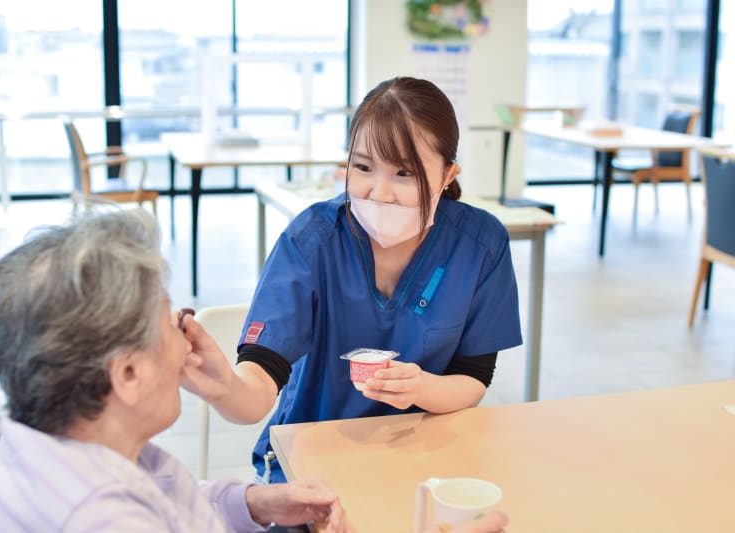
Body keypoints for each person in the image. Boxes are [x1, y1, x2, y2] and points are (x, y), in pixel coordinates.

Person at [183, 76, 522, 484]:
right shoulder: (311, 242)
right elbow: (257, 386)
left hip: (425, 461)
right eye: (363, 167)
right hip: (312, 468)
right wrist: (223, 387)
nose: (380, 192)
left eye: (404, 173)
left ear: (448, 174)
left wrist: (420, 388)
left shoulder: (479, 245)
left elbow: (473, 379)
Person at [0, 208, 346, 532]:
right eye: (173, 324)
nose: (187, 343)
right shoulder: (99, 516)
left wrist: (256, 503)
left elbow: (167, 499)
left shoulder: (64, 447)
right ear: (127, 374)